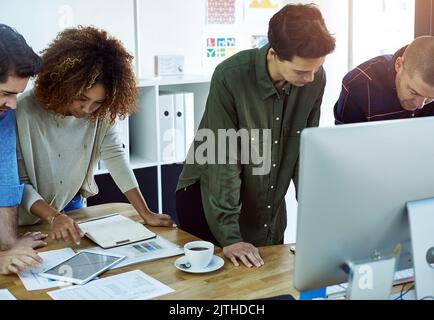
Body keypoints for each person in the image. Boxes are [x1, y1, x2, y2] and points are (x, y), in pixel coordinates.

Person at [176, 4, 335, 267]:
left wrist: (318, 220)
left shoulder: (314, 80)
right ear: (273, 54)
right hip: (209, 199)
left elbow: (305, 149)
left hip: (265, 202)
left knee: (268, 288)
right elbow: (221, 159)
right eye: (300, 71)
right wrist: (230, 236)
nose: (310, 78)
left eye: (316, 69)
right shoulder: (231, 77)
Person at [15, 26, 175, 245]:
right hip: (26, 216)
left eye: (97, 102)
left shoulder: (100, 113)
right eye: (81, 98)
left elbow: (115, 155)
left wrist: (145, 212)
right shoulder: (22, 111)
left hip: (70, 204)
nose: (88, 109)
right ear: (61, 85)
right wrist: (53, 216)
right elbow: (19, 183)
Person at [0, 24, 45, 275]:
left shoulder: (3, 113)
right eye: (6, 93)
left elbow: (4, 178)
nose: (14, 105)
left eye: (18, 94)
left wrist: (9, 245)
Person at [334, 36, 434, 124]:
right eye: (413, 92)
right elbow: (345, 140)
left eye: (429, 97)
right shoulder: (358, 85)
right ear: (398, 65)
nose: (420, 105)